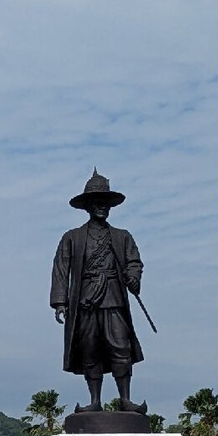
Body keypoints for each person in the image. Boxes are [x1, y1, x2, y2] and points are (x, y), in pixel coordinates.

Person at [51, 169, 145, 413]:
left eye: (105, 203)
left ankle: (125, 399)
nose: (101, 207)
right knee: (90, 348)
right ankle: (95, 401)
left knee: (120, 346)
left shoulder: (121, 237)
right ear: (88, 206)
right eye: (97, 202)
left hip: (113, 297)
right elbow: (61, 268)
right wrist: (60, 301)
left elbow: (134, 262)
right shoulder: (72, 237)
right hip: (85, 301)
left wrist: (133, 278)